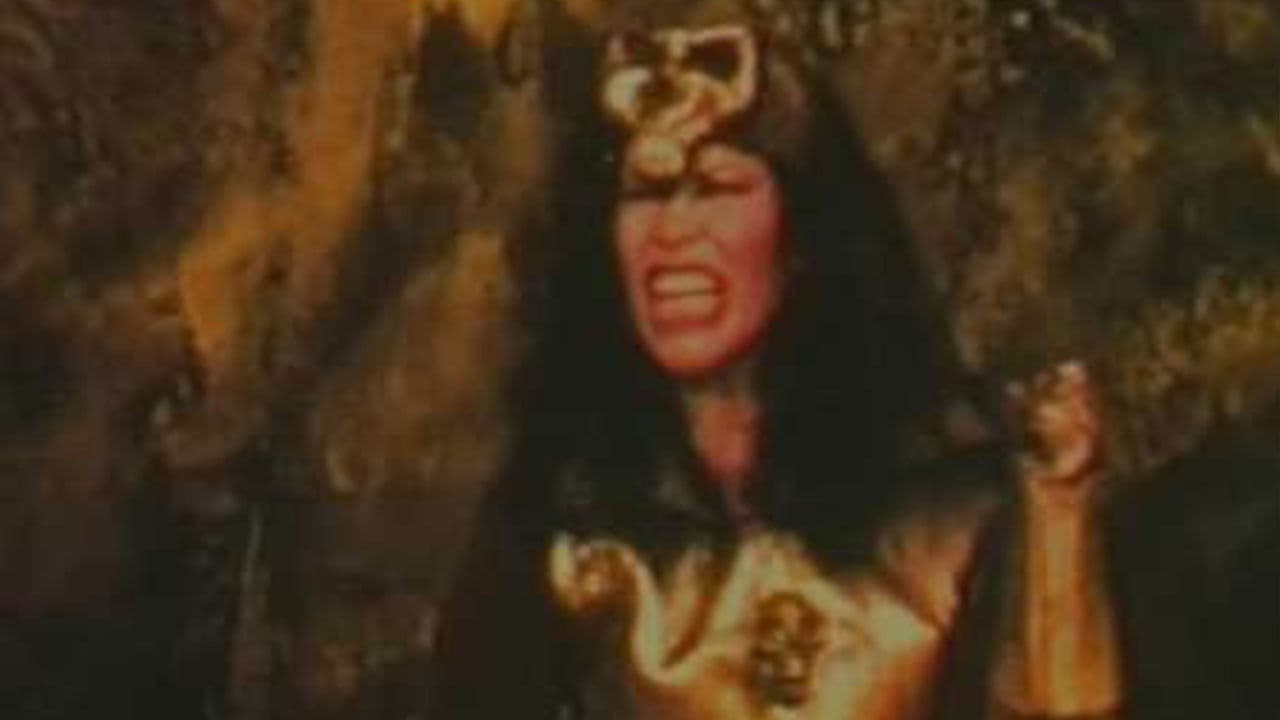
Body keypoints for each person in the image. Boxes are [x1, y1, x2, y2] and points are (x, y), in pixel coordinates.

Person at [427, 2, 1278, 718]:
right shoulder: (561, 533)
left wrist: (1059, 518)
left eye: (719, 188)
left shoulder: (959, 514)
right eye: (646, 193)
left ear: (803, 236)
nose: (674, 231)